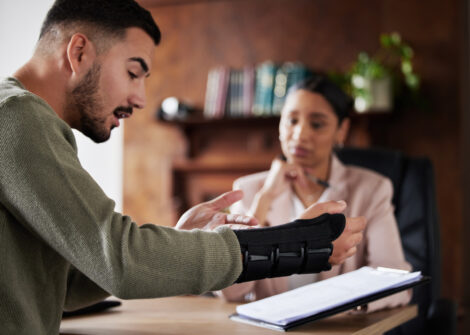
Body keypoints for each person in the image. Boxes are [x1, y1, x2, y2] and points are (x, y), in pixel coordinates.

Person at [0, 1, 366, 334]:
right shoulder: (18, 117)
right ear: (78, 52)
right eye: (133, 72)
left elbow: (68, 282)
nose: (140, 99)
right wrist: (303, 242)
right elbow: (118, 261)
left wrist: (181, 238)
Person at [219, 75, 412, 312]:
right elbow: (230, 292)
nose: (300, 134)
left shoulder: (371, 189)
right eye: (291, 120)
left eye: (317, 124)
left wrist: (351, 305)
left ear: (341, 130)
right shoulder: (249, 190)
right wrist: (265, 198)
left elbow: (396, 280)